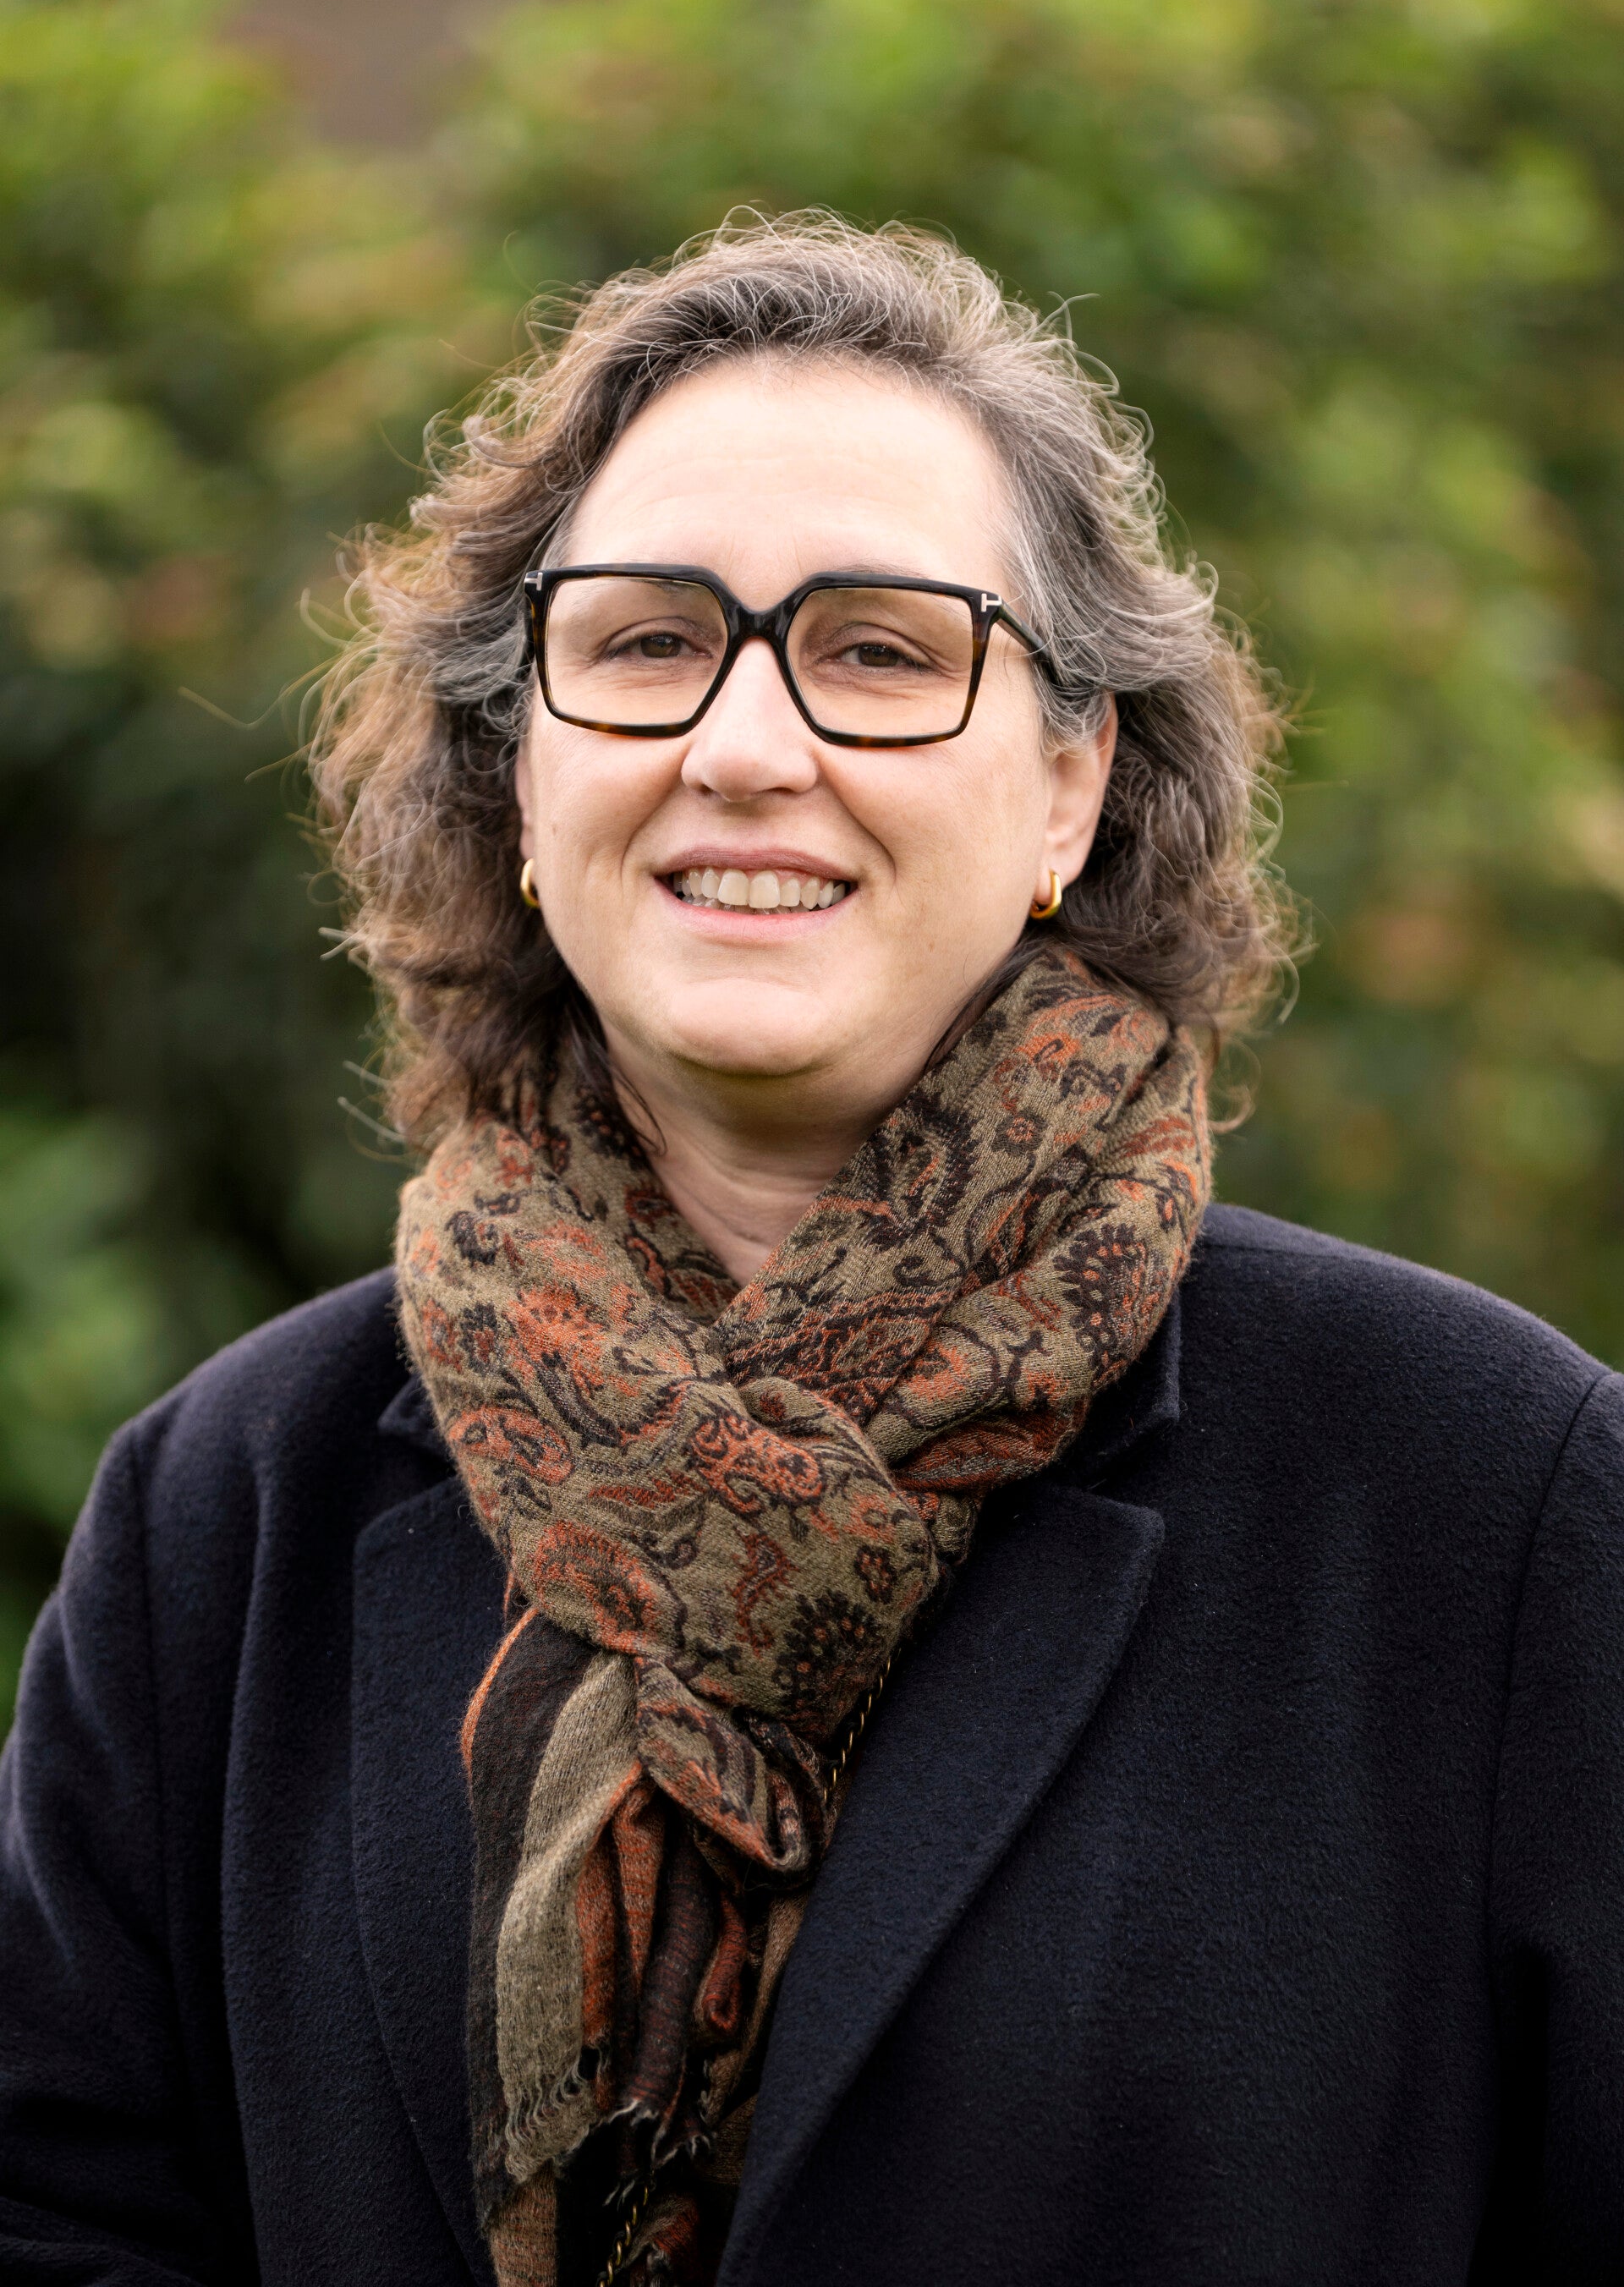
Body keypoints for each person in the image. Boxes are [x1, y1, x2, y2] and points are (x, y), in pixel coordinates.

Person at [1, 216, 1620, 2287]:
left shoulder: (1491, 1508)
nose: (748, 746)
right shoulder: (223, 1519)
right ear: (523, 776)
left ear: (1070, 785)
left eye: (879, 651)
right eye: (645, 644)